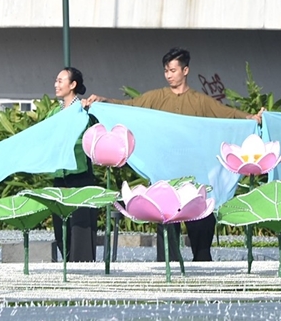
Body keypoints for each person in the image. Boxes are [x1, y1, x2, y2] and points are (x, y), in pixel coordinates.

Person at [85, 47, 263, 262]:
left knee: (201, 222)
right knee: (166, 223)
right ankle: (167, 270)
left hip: (195, 174)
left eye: (173, 70)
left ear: (185, 70)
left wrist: (252, 118)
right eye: (166, 71)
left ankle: (203, 267)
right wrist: (103, 102)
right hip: (166, 173)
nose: (169, 75)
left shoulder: (200, 101)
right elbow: (129, 107)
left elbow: (228, 115)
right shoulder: (157, 97)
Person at [49, 67, 98, 262]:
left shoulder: (85, 109)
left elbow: (94, 137)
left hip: (80, 174)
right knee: (61, 225)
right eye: (56, 80)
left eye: (61, 81)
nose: (56, 84)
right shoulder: (54, 112)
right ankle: (67, 265)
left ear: (73, 85)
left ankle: (83, 268)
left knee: (81, 225)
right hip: (59, 176)